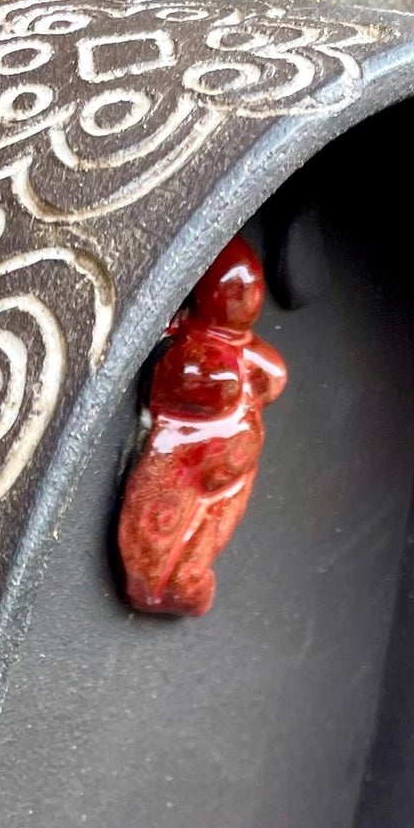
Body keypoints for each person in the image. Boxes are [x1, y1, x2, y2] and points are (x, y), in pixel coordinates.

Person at [116, 234, 287, 616]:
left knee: (197, 540)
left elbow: (273, 379)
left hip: (227, 464)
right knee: (157, 546)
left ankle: (180, 585)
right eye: (240, 290)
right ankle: (159, 588)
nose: (247, 297)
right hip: (190, 462)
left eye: (251, 289)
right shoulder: (192, 352)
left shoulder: (244, 351)